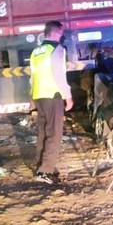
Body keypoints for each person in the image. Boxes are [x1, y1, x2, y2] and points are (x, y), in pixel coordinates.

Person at [29, 20, 73, 184]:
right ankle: (44, 171)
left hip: (39, 95)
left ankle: (43, 165)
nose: (61, 37)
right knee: (54, 134)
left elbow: (32, 77)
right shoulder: (56, 49)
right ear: (55, 33)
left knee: (43, 133)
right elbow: (59, 74)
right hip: (52, 94)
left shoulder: (36, 51)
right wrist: (67, 96)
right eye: (61, 34)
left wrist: (31, 97)